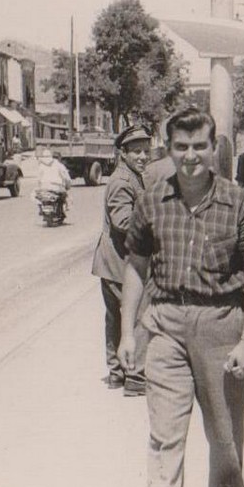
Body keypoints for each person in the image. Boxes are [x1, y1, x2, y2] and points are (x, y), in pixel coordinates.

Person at [117, 108, 244, 487]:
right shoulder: (152, 200)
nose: (190, 156)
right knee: (164, 435)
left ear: (214, 147)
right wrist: (127, 333)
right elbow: (135, 267)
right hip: (165, 324)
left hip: (221, 324)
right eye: (181, 146)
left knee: (225, 436)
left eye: (199, 146)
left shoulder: (238, 202)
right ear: (168, 148)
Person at [90, 125, 152, 396]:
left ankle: (117, 372)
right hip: (121, 263)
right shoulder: (123, 182)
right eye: (136, 151)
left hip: (112, 263)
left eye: (146, 151)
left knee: (116, 318)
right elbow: (123, 221)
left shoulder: (132, 177)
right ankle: (135, 377)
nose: (143, 156)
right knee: (137, 316)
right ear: (123, 153)